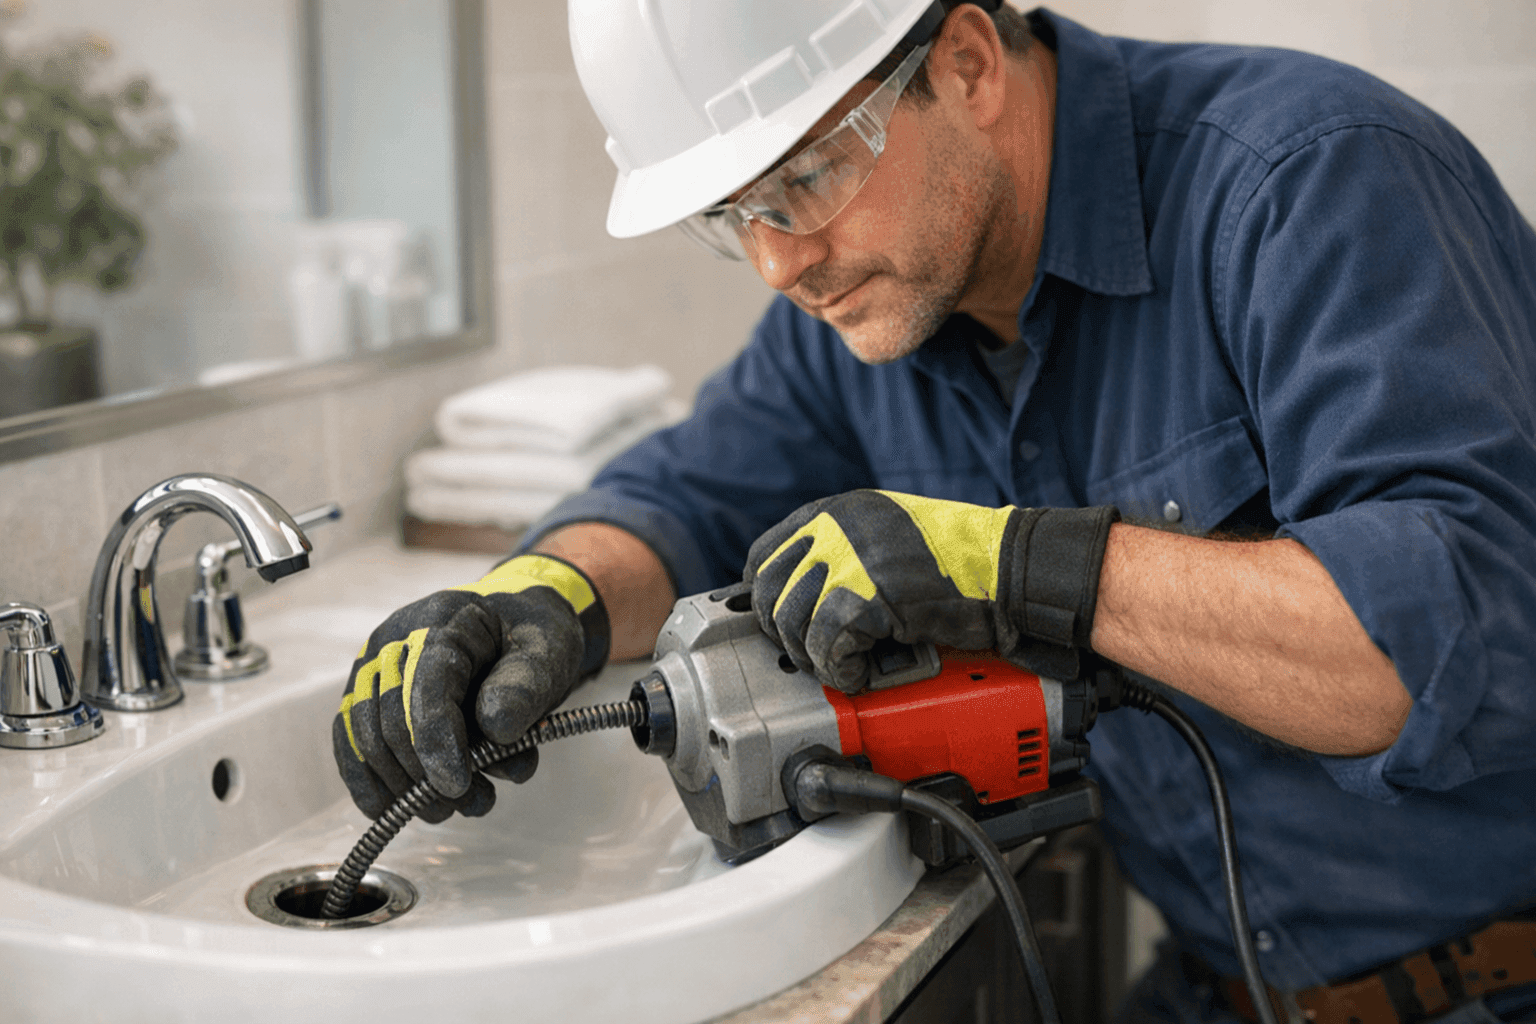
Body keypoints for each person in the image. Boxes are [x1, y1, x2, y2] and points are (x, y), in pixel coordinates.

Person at [331, 3, 1536, 1022]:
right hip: (1224, 985)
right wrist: (548, 596)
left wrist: (1027, 564)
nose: (777, 262)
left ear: (964, 64)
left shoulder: (1310, 181)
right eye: (732, 214)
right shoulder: (884, 297)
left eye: (805, 177)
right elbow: (687, 490)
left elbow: (1429, 646)